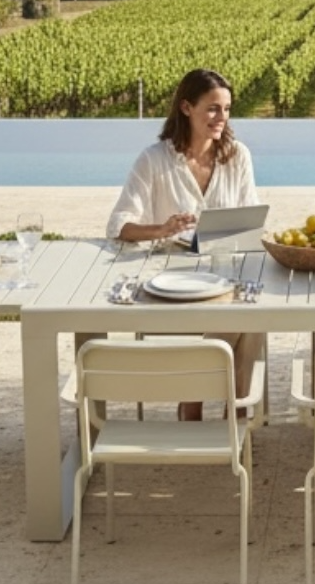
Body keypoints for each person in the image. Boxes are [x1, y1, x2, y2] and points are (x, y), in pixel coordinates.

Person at [103, 68, 263, 417]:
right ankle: (227, 412)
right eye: (212, 108)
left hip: (223, 270)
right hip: (171, 277)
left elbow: (250, 217)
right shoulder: (154, 159)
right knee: (242, 318)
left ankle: (210, 404)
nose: (221, 118)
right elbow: (118, 226)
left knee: (251, 313)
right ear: (187, 108)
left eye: (227, 109)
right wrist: (159, 229)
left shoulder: (238, 156)